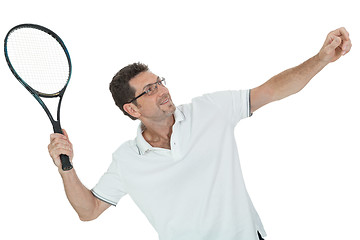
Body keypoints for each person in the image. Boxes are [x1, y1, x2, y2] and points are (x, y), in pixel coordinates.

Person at [48, 27, 351, 240]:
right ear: (132, 109)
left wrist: (320, 59)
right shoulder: (127, 160)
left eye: (160, 82)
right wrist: (67, 167)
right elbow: (89, 211)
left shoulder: (211, 110)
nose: (162, 91)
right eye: (150, 90)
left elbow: (272, 90)